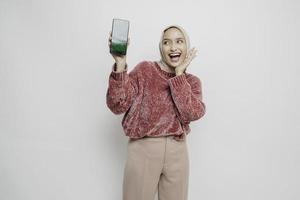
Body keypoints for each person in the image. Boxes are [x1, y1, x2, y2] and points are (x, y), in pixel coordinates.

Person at [106, 25, 206, 200]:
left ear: (186, 46)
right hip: (144, 147)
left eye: (179, 41)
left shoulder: (192, 82)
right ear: (161, 47)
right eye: (167, 42)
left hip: (178, 151)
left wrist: (179, 75)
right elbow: (117, 105)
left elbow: (191, 113)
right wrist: (120, 64)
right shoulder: (145, 70)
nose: (173, 47)